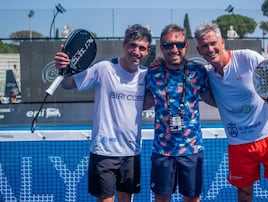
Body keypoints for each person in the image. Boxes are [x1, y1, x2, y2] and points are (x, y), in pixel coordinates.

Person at [194, 22, 268, 202]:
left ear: (222, 42)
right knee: (244, 194)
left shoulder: (248, 58)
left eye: (213, 43)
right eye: (204, 46)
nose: (210, 49)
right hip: (239, 144)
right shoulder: (206, 73)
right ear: (199, 50)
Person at [54, 24, 152, 202]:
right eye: (132, 45)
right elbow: (68, 84)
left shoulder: (147, 75)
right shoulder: (104, 68)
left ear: (147, 51)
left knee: (126, 199)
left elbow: (144, 104)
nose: (136, 51)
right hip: (104, 151)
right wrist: (63, 68)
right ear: (124, 45)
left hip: (131, 151)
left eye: (141, 48)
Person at [144, 24, 215, 202]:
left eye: (179, 44)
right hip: (162, 151)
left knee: (192, 199)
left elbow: (213, 98)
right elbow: (140, 102)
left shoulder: (198, 72)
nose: (174, 49)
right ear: (161, 48)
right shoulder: (152, 73)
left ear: (186, 46)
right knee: (161, 199)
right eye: (168, 45)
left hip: (191, 150)